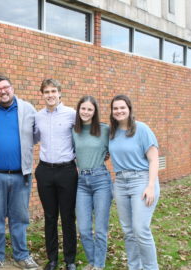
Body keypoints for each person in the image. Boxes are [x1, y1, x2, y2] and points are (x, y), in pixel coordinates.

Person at [0, 75, 38, 270]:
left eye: (6, 87)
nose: (3, 92)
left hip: (21, 175)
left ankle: (22, 255)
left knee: (19, 218)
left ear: (12, 88)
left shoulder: (28, 109)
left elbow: (36, 135)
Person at [108, 95, 160, 270]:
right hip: (121, 183)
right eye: (115, 108)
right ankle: (134, 267)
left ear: (129, 109)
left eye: (122, 107)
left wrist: (151, 186)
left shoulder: (142, 129)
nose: (119, 111)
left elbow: (154, 159)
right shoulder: (112, 132)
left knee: (140, 229)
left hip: (142, 180)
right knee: (128, 231)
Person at [34, 79, 78, 270]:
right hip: (45, 171)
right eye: (46, 91)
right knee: (50, 217)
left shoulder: (72, 115)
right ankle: (52, 259)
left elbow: (82, 137)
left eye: (53, 91)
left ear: (60, 93)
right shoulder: (38, 116)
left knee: (68, 217)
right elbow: (33, 138)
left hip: (67, 171)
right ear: (42, 94)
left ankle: (70, 260)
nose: (50, 95)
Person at [72, 96, 112, 270]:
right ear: (78, 110)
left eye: (89, 109)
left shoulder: (104, 130)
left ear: (94, 112)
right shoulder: (74, 130)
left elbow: (114, 149)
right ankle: (92, 261)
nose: (86, 112)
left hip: (101, 180)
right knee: (84, 228)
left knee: (101, 229)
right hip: (81, 182)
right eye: (83, 109)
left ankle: (98, 265)